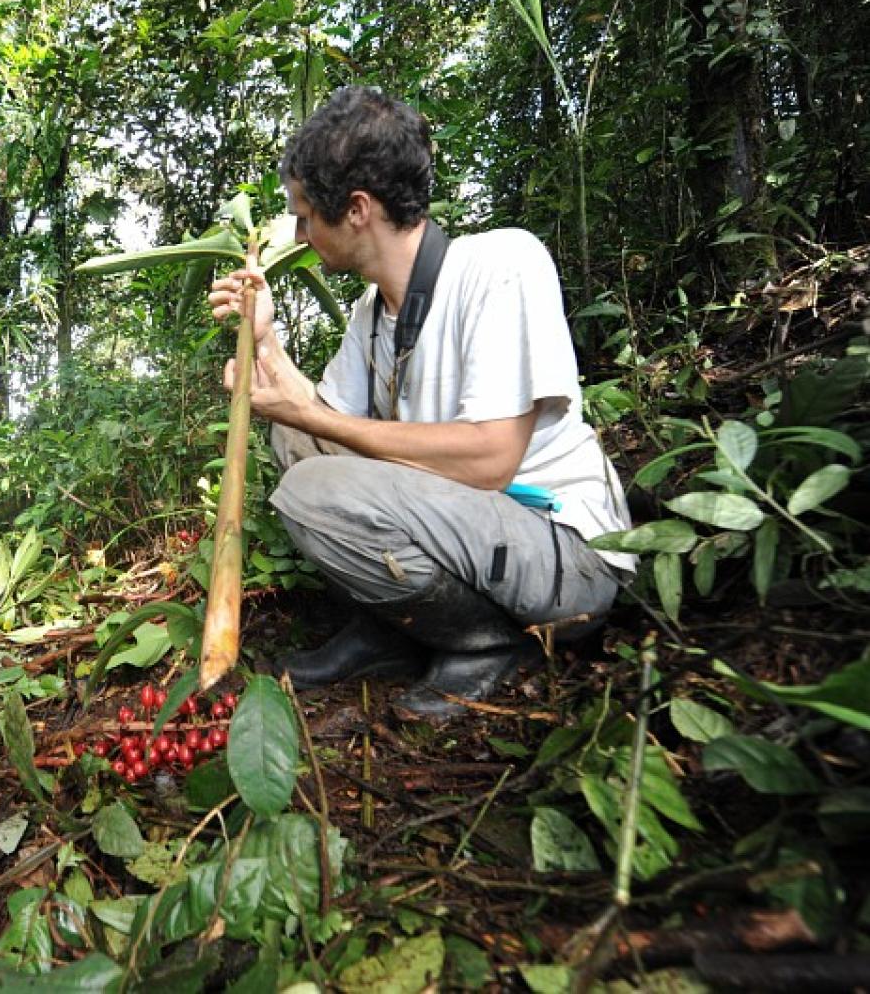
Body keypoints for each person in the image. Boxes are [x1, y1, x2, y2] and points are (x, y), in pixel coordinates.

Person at [207, 87, 634, 721]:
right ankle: (396, 624)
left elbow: (491, 458)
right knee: (295, 447)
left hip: (562, 556)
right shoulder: (372, 313)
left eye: (305, 216)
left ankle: (487, 643)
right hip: (470, 535)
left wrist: (309, 417)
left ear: (356, 209)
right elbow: (311, 420)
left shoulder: (500, 265)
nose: (298, 234)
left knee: (314, 487)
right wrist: (263, 335)